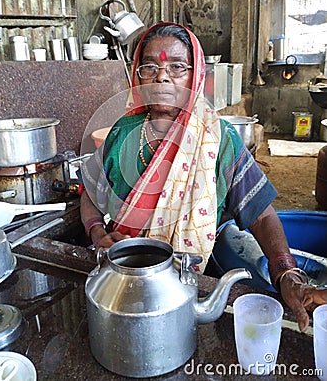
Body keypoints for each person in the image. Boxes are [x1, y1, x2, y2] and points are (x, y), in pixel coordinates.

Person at [80, 22, 327, 333]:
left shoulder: (217, 140)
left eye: (177, 66)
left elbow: (262, 217)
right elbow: (89, 193)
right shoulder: (121, 133)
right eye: (149, 67)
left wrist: (286, 274)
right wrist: (97, 234)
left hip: (184, 288)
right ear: (136, 75)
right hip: (117, 278)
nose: (162, 76)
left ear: (195, 75)